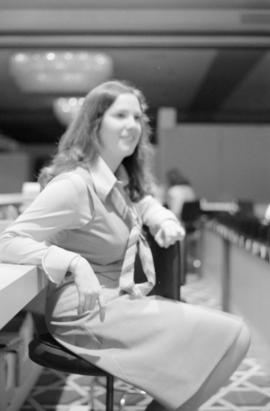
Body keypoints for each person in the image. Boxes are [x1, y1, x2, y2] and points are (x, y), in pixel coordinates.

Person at [0, 80, 250, 411]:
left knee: (231, 338)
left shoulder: (118, 181)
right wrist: (74, 262)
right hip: (83, 310)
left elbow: (143, 204)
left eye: (137, 118)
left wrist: (164, 220)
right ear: (94, 123)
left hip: (119, 298)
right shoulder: (75, 184)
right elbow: (8, 241)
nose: (132, 125)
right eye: (121, 115)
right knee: (232, 335)